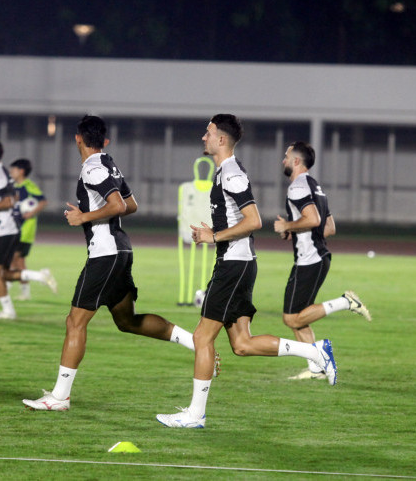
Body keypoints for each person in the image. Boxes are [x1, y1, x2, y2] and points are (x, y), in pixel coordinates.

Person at [156, 114, 337, 429]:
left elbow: (254, 220)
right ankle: (314, 350)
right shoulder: (223, 173)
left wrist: (214, 236)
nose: (204, 137)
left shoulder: (232, 174)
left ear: (221, 139)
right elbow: (236, 221)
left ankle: (195, 415)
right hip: (237, 264)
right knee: (242, 344)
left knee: (202, 337)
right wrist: (213, 233)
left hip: (234, 267)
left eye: (208, 132)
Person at [22, 114, 203, 412]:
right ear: (103, 139)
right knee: (126, 321)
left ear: (78, 138)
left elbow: (118, 205)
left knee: (75, 322)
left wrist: (83, 216)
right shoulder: (108, 163)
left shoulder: (93, 168)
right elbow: (131, 204)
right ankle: (195, 341)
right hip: (120, 249)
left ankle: (59, 397)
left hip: (105, 253)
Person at [274, 141, 370, 381]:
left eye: (286, 156)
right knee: (300, 318)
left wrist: (288, 225)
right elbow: (329, 227)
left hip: (310, 261)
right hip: (317, 258)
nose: (283, 160)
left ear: (297, 161)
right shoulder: (316, 187)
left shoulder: (298, 186)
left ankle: (346, 302)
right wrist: (294, 230)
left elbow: (313, 219)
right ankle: (316, 367)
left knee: (291, 318)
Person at [0, 141, 57, 320]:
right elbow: (11, 200)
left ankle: (8, 310)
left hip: (6, 230)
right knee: (3, 272)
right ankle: (39, 276)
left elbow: (8, 202)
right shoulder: (3, 174)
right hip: (9, 227)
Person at [8, 158, 48, 300]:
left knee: (18, 260)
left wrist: (31, 213)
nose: (11, 172)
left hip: (25, 230)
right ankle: (10, 290)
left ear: (21, 171)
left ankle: (25, 292)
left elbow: (43, 201)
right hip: (14, 227)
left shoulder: (28, 185)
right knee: (12, 259)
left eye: (13, 170)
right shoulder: (12, 186)